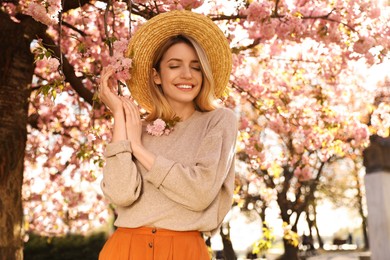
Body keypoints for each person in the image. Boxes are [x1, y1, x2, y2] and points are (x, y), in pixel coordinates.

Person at [98, 10, 238, 260]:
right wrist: (119, 116)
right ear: (156, 75)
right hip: (124, 249)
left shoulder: (219, 121)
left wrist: (139, 150)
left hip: (184, 250)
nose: (187, 75)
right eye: (175, 66)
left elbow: (199, 194)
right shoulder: (134, 128)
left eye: (196, 67)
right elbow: (120, 195)